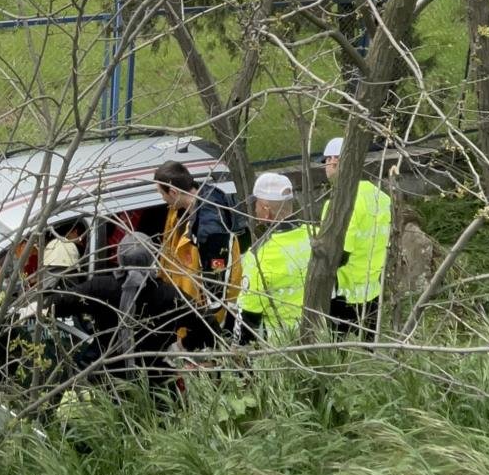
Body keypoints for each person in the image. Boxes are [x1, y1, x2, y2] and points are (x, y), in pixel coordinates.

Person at [41, 232, 218, 384]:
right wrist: (184, 344)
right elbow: (208, 323)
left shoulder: (101, 288)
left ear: (119, 257)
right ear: (152, 257)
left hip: (109, 384)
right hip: (157, 385)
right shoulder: (168, 295)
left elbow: (57, 303)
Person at [319, 136, 392, 337]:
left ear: (335, 160)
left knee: (338, 357)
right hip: (373, 290)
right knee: (368, 355)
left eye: (326, 161)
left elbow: (339, 255)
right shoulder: (381, 197)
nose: (326, 166)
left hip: (344, 294)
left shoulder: (340, 204)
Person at [231, 172, 312, 345]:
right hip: (319, 337)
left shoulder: (259, 255)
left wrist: (238, 352)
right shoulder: (314, 236)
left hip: (281, 347)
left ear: (266, 211)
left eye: (257, 204)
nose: (255, 210)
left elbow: (247, 314)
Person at [153, 161, 245, 311]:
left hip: (201, 310)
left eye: (162, 193)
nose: (162, 198)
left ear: (174, 193)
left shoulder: (210, 233)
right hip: (185, 297)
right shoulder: (184, 207)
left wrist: (208, 320)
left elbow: (216, 291)